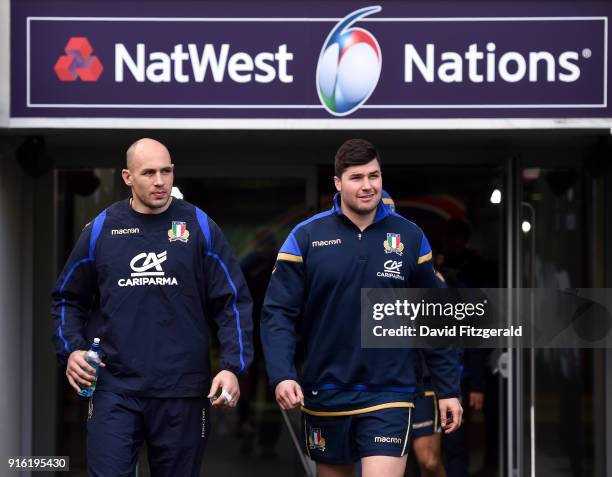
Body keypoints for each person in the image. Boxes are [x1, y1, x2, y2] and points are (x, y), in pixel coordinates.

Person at [51, 138, 253, 477]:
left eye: (166, 171)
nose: (160, 181)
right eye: (149, 173)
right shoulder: (102, 229)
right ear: (128, 177)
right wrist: (72, 350)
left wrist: (232, 366)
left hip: (183, 391)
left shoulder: (200, 226)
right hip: (114, 388)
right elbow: (67, 298)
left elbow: (232, 301)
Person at [261, 139, 462, 477]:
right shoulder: (306, 237)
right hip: (324, 391)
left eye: (374, 175)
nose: (368, 186)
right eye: (357, 178)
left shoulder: (409, 236)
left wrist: (448, 390)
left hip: (390, 393)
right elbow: (278, 312)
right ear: (338, 183)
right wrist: (282, 374)